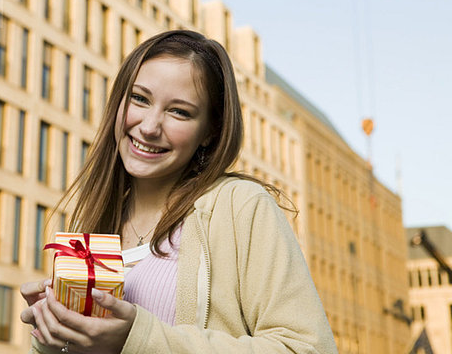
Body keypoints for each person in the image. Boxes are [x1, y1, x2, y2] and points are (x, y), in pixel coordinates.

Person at [20, 30, 338, 354]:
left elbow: (307, 348)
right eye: (140, 99)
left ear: (209, 131)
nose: (149, 126)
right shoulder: (96, 227)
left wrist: (140, 339)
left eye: (179, 112)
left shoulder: (240, 206)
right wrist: (53, 337)